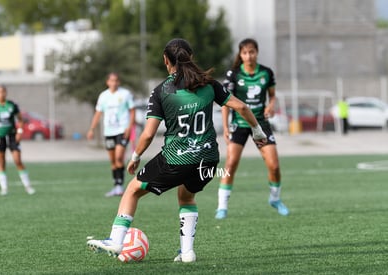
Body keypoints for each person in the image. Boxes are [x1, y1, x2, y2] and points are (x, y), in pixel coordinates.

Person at [86, 38, 267, 262]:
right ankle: (187, 251)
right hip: (209, 160)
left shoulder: (162, 91)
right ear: (191, 57)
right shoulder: (210, 85)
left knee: (132, 190)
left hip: (176, 159)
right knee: (187, 196)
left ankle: (115, 240)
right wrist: (258, 132)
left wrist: (135, 156)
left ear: (165, 60)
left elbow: (148, 134)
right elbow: (241, 106)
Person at [215, 38, 289, 219]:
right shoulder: (233, 74)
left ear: (257, 52)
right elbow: (225, 102)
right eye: (245, 53)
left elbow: (272, 96)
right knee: (230, 164)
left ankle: (275, 199)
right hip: (238, 124)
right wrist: (225, 127)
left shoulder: (266, 73)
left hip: (260, 124)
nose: (248, 56)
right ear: (240, 55)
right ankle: (222, 206)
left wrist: (271, 105)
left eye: (252, 52)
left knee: (274, 165)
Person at [87, 73, 135, 197]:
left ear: (119, 82)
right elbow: (98, 113)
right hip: (109, 131)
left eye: (116, 80)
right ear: (107, 82)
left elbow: (132, 110)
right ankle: (116, 186)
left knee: (119, 157)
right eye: (111, 80)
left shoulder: (125, 94)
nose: (114, 83)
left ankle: (120, 186)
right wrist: (91, 129)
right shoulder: (103, 96)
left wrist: (129, 127)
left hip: (122, 130)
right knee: (113, 161)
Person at [0, 85, 35, 196]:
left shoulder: (12, 105)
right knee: (1, 161)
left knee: (17, 160)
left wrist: (20, 132)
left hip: (12, 136)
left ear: (6, 93)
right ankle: (4, 188)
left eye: (3, 92)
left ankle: (28, 186)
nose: (1, 94)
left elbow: (20, 119)